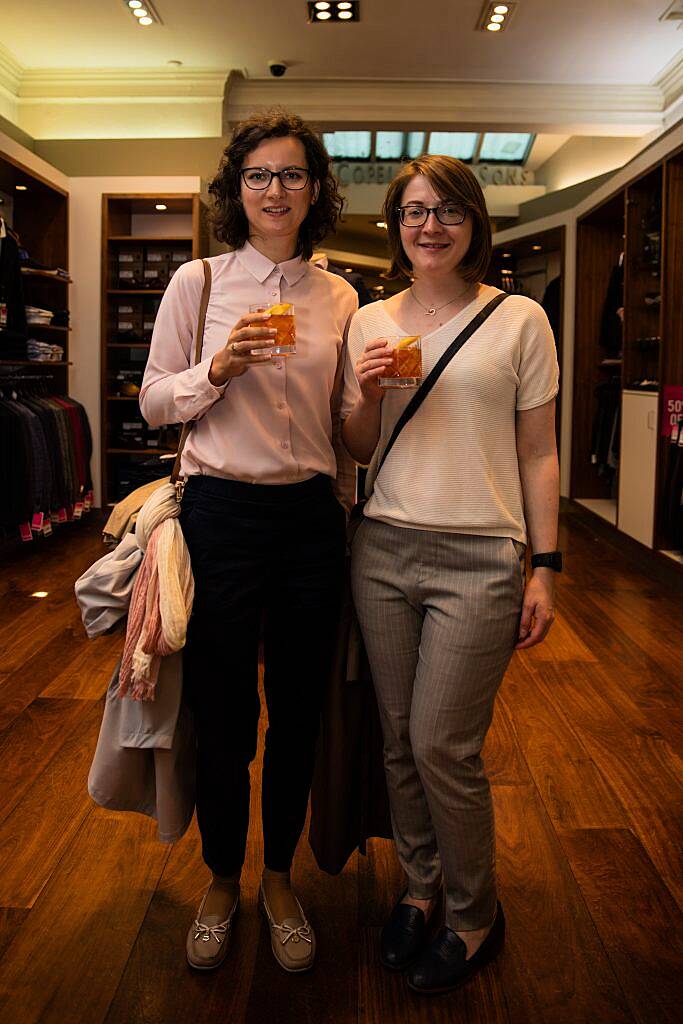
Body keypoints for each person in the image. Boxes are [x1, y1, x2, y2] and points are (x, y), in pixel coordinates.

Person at [140, 109, 357, 973]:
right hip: (221, 515)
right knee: (222, 713)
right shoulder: (197, 283)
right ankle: (222, 877)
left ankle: (279, 876)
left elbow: (343, 433)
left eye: (293, 175)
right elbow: (155, 400)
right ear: (236, 189)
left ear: (315, 190)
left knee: (301, 710)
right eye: (259, 176)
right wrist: (218, 367)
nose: (276, 190)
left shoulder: (340, 296)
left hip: (309, 519)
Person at [341, 154, 560, 995]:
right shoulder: (368, 320)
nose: (428, 225)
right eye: (413, 211)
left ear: (474, 222)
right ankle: (421, 888)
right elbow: (359, 449)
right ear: (395, 226)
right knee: (398, 738)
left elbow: (538, 453)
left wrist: (546, 567)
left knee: (443, 743)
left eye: (447, 211)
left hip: (480, 555)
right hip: (384, 549)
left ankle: (476, 912)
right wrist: (360, 396)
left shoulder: (519, 320)